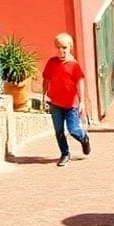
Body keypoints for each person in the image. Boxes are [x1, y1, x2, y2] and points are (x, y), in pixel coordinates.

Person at [41, 32, 93, 167]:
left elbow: (79, 82)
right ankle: (65, 154)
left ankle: (84, 138)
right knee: (59, 131)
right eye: (58, 47)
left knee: (74, 130)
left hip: (71, 105)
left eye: (64, 47)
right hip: (55, 103)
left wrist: (81, 102)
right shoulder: (52, 63)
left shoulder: (73, 65)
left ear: (70, 47)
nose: (61, 50)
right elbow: (46, 79)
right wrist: (43, 96)